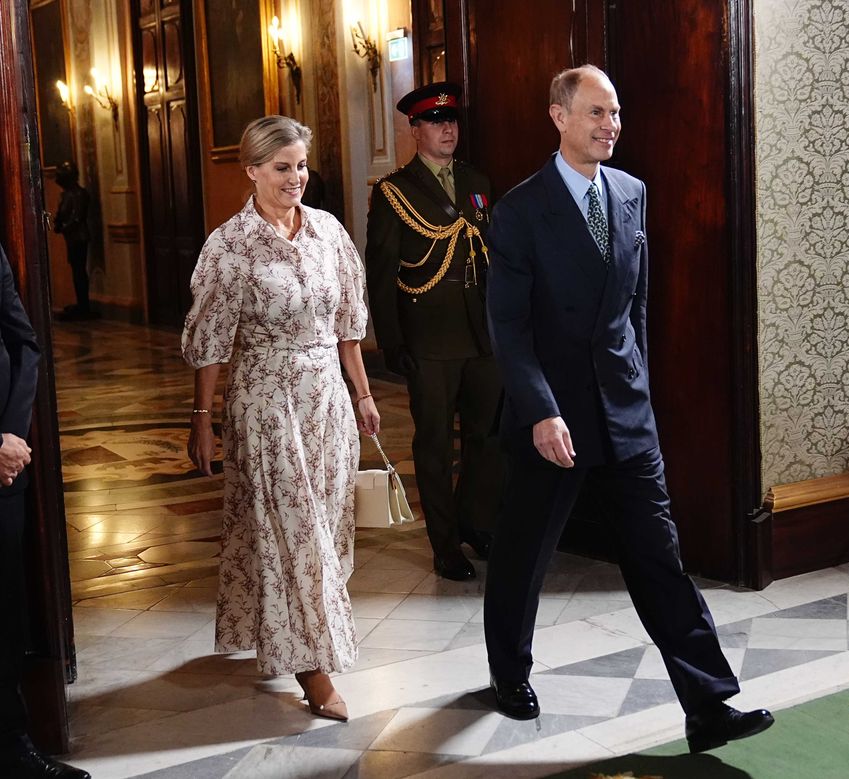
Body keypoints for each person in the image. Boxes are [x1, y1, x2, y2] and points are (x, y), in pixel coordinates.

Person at [482, 65, 774, 753]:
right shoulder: (519, 210)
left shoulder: (633, 193)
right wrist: (541, 411)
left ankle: (707, 704)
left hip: (624, 413)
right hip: (550, 418)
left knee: (660, 558)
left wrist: (637, 386)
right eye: (595, 113)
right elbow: (508, 329)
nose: (610, 125)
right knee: (525, 554)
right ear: (559, 116)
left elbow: (635, 309)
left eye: (615, 113)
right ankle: (508, 673)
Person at [182, 115, 380, 722]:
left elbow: (349, 325)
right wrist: (201, 417)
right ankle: (313, 672)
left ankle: (285, 630)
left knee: (324, 530)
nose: (296, 177)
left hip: (327, 402)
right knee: (292, 533)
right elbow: (210, 341)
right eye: (281, 167)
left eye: (301, 165)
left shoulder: (328, 233)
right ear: (252, 171)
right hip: (266, 405)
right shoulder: (230, 245)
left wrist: (364, 396)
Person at [365, 82, 503, 581]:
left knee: (487, 438)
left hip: (482, 335)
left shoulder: (476, 179)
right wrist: (392, 341)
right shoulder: (394, 191)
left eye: (452, 121)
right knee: (436, 445)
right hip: (430, 337)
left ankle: (475, 522)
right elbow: (380, 273)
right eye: (436, 123)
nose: (448, 130)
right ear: (415, 130)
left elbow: (492, 259)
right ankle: (444, 544)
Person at [0, 245, 89, 778]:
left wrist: (10, 435)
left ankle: (11, 749)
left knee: (6, 614)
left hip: (3, 467)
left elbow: (24, 343)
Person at [53, 161, 95, 320]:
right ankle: (80, 303)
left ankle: (83, 305)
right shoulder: (67, 194)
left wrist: (63, 227)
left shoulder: (78, 193)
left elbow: (77, 217)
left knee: (79, 272)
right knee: (76, 271)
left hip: (78, 237)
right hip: (71, 238)